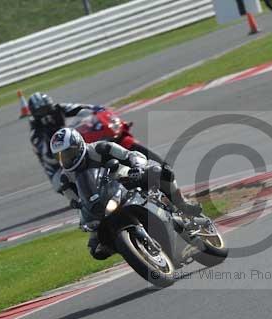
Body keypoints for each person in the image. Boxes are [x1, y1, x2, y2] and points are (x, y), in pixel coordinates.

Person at [50, 128, 202, 259]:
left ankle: (182, 203)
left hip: (124, 177)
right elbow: (76, 202)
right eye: (61, 156)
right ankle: (131, 249)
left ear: (78, 145)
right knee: (95, 249)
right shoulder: (65, 178)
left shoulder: (101, 148)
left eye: (68, 152)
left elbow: (130, 155)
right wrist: (85, 220)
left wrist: (137, 167)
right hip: (102, 200)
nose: (66, 158)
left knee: (160, 172)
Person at [28, 92, 96, 196]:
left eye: (47, 108)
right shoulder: (35, 134)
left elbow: (77, 108)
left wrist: (95, 109)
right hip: (56, 167)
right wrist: (64, 157)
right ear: (35, 113)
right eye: (41, 111)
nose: (46, 113)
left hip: (70, 150)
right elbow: (47, 156)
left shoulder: (58, 108)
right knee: (63, 184)